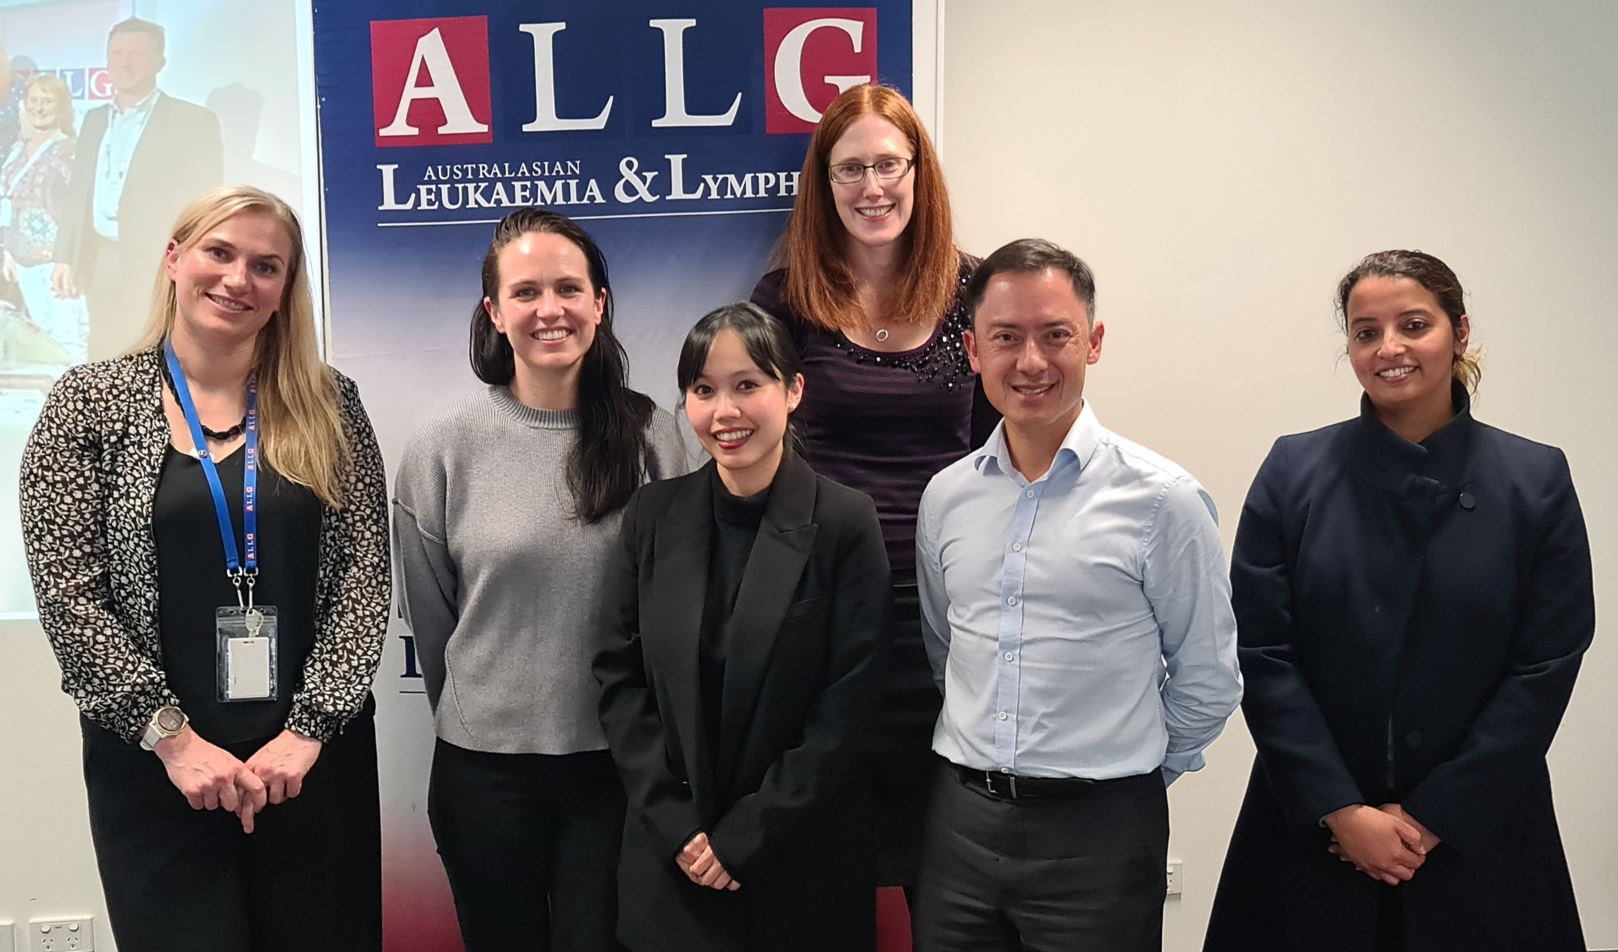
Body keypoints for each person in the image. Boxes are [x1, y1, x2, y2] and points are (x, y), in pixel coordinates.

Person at [19, 185, 390, 952]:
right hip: (155, 772)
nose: (237, 279)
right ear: (174, 259)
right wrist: (175, 743)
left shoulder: (329, 402)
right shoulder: (88, 404)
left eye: (266, 265)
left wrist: (311, 730)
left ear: (286, 290)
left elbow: (364, 577)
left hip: (312, 767)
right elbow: (68, 594)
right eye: (219, 252)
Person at [1203, 250, 1593, 952]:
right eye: (1365, 332)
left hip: (1483, 835)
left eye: (1414, 324)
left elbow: (1547, 663)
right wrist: (1343, 811)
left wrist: (1435, 815)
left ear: (1460, 331)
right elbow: (1262, 652)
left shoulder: (1534, 479)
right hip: (1311, 832)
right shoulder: (1294, 471)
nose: (1389, 349)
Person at [911, 238, 1242, 952]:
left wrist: (1128, 772)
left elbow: (1209, 679)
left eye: (1055, 335)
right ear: (972, 350)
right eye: (1005, 338)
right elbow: (947, 647)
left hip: (1101, 835)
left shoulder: (1162, 502)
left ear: (1092, 343)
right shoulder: (946, 497)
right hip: (959, 829)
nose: (1030, 362)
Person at [393, 207, 687, 952]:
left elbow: (679, 608)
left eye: (568, 288)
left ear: (600, 303)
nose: (549, 309)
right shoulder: (442, 447)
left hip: (617, 769)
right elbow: (435, 620)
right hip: (484, 774)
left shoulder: (657, 437)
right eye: (525, 292)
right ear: (494, 312)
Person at [749, 82, 990, 891]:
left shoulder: (976, 293)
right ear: (823, 185)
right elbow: (752, 451)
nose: (871, 187)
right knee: (829, 862)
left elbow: (1008, 452)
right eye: (849, 170)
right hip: (826, 613)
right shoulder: (786, 302)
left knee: (945, 867)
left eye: (888, 164)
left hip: (951, 614)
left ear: (920, 172)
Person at [594, 303, 891, 952]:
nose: (724, 411)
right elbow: (617, 680)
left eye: (747, 385)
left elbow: (849, 704)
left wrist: (745, 836)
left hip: (800, 863)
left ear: (793, 390)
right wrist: (678, 827)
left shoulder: (844, 522)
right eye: (703, 390)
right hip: (673, 865)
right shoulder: (652, 515)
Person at [52, 16, 223, 360]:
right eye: (117, 54)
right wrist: (65, 257)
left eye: (136, 54)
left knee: (159, 354)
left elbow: (204, 204)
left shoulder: (192, 121)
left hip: (160, 262)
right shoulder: (94, 119)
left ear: (159, 62)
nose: (125, 63)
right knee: (103, 351)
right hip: (100, 257)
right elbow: (79, 195)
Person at [2, 73, 87, 364]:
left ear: (62, 108)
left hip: (56, 263)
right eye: (34, 100)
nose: (39, 108)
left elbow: (78, 210)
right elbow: (10, 205)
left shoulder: (69, 150)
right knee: (42, 342)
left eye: (47, 101)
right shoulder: (16, 152)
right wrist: (9, 252)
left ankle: (79, 405)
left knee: (68, 341)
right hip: (24, 263)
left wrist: (69, 259)